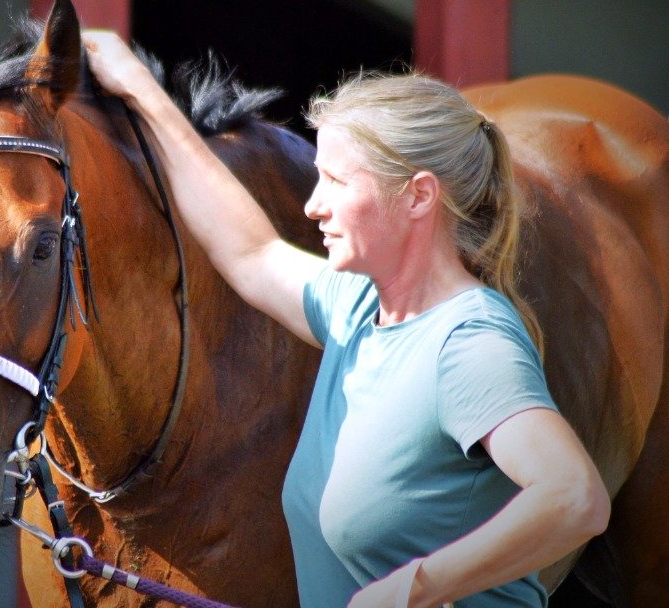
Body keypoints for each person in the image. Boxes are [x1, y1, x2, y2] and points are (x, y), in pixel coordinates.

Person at [82, 31, 610, 607]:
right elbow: (248, 251)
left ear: (417, 197)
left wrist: (414, 588)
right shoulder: (357, 309)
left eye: (336, 180)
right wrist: (140, 92)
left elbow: (575, 497)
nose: (313, 205)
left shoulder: (469, 344)